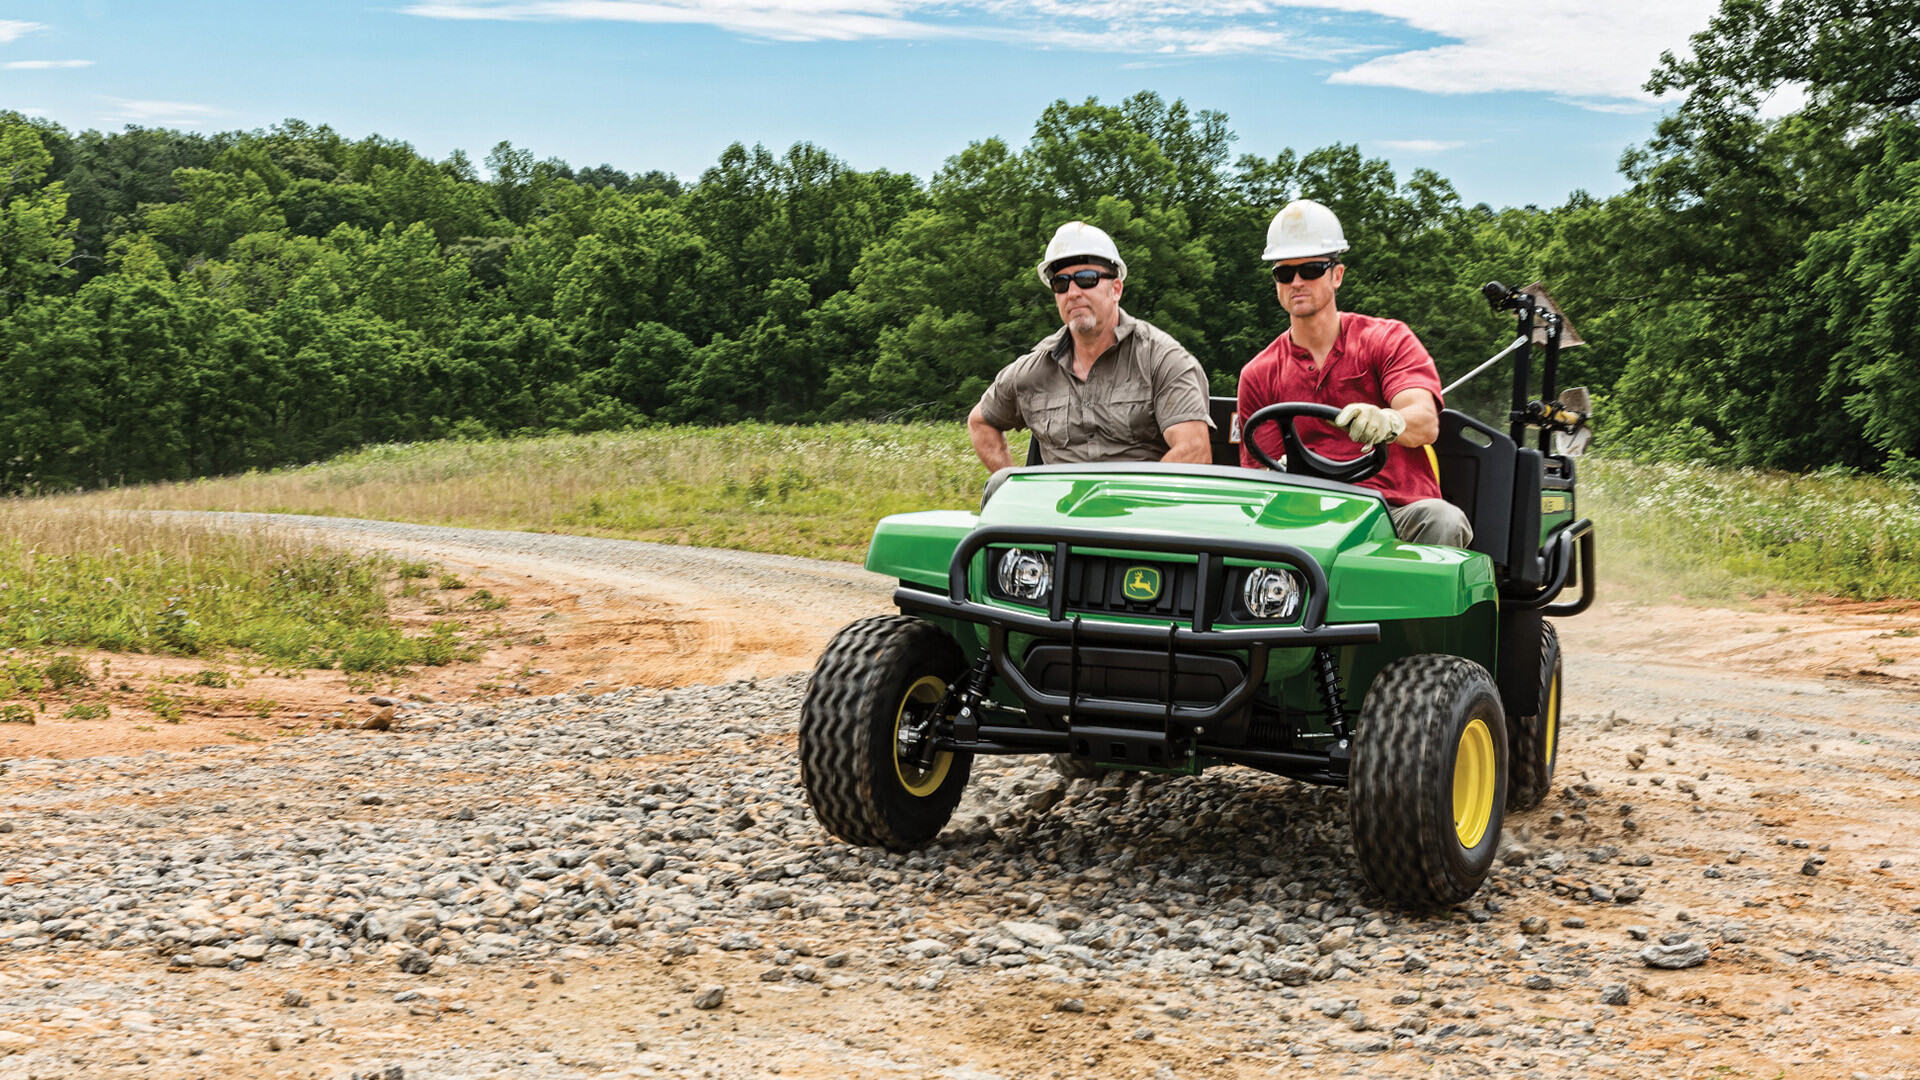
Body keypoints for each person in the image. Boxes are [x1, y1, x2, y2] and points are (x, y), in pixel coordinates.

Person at [1236, 199, 1473, 547]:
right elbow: (1258, 477)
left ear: (1337, 275)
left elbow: (1425, 422)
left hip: (1393, 512)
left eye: (1312, 269)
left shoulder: (1387, 339)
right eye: (1284, 273)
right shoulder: (1258, 374)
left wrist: (1389, 421)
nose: (1297, 281)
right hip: (1304, 520)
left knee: (1442, 519)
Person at [968, 221, 1213, 483]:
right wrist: (1015, 486)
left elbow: (1194, 452)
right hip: (1057, 517)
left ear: (1115, 289)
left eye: (1086, 279)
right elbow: (980, 422)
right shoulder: (1033, 370)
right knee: (990, 501)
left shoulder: (1162, 359)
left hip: (1139, 515)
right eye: (1060, 283)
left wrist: (1120, 504)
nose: (1072, 292)